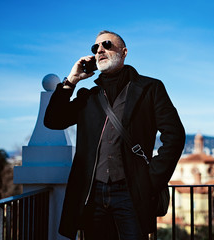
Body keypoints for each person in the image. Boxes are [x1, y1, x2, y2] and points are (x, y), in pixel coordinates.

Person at [44, 30, 185, 240]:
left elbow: (174, 135)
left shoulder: (150, 88)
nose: (100, 50)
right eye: (95, 48)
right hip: (92, 195)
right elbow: (53, 121)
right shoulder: (88, 97)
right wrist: (71, 81)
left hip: (131, 193)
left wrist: (150, 180)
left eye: (107, 45)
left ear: (124, 52)